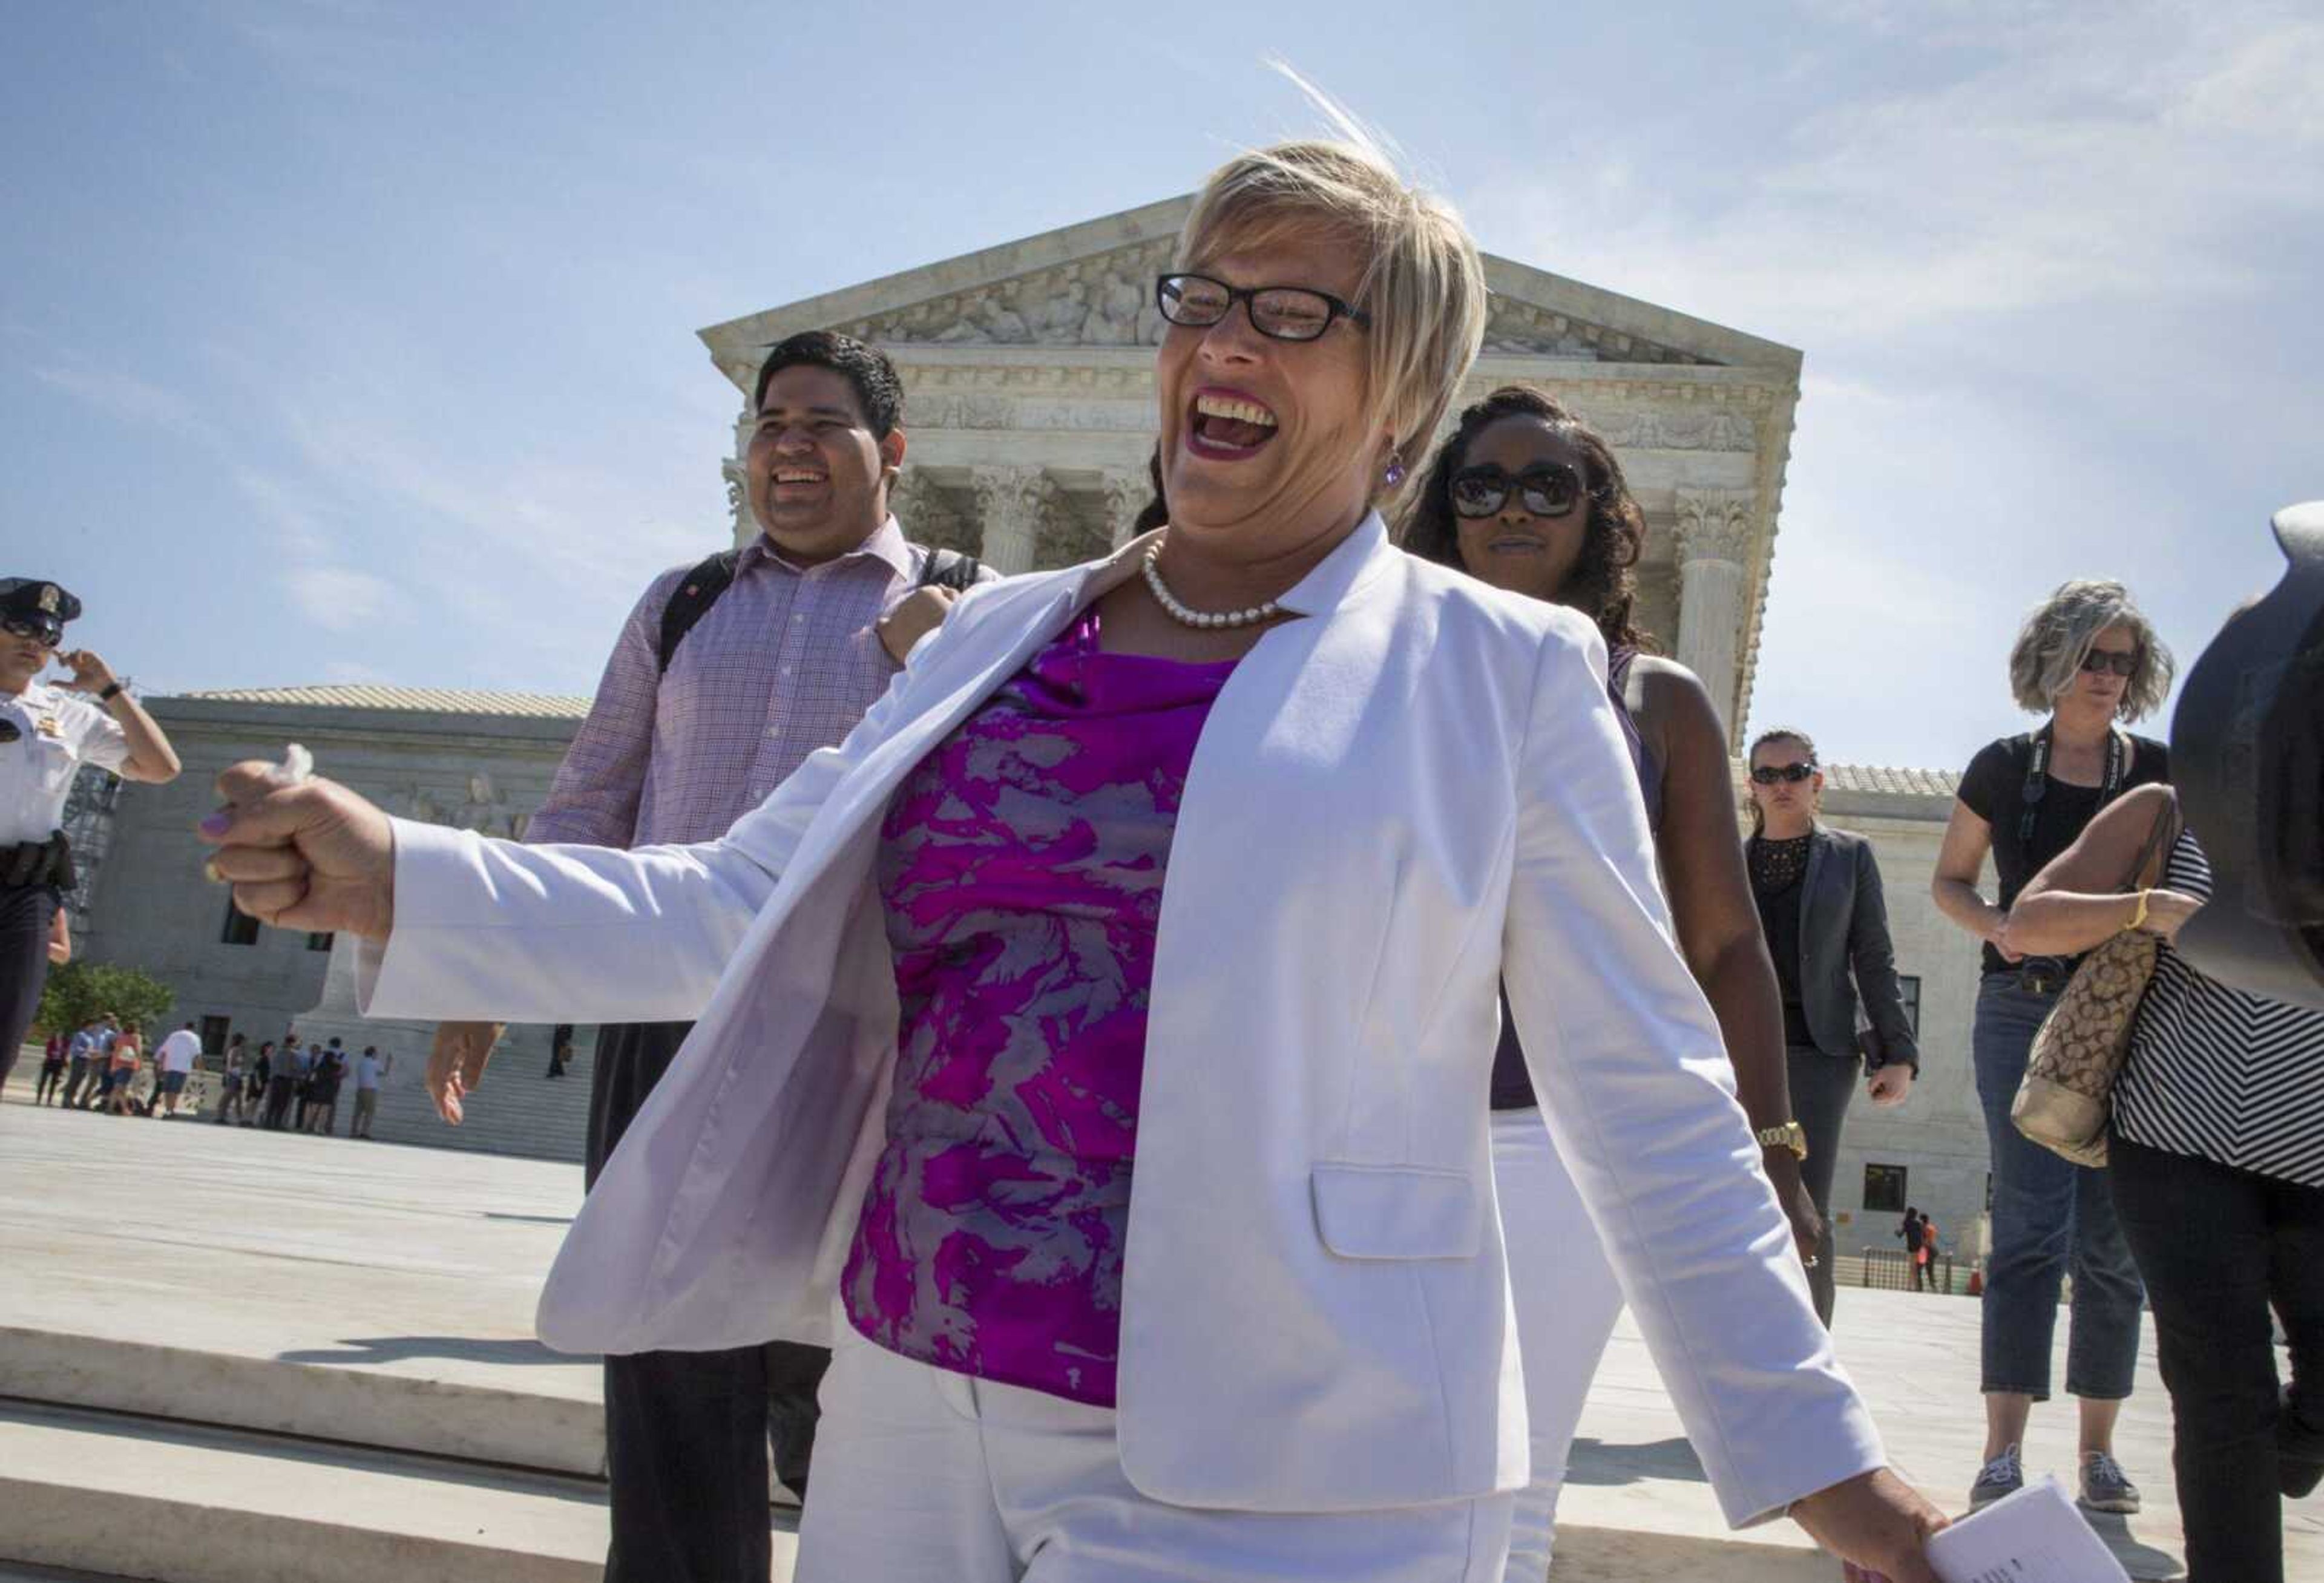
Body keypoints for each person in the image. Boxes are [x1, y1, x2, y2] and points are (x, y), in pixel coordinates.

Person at [206, 134, 1947, 1583]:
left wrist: (1820, 1464)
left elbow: (1645, 1091)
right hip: (912, 1398)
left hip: (1281, 1448)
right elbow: (733, 898)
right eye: (1203, 298)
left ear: (1400, 388)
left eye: (1295, 312)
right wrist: (396, 877)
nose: (1226, 344)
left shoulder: (1504, 674)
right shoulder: (995, 637)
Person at [419, 327, 996, 1581]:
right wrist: (491, 969)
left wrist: (942, 662)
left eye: (821, 424)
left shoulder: (963, 602)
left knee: (833, 1344)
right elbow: (591, 799)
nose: (788, 449)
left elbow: (1008, 817)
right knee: (667, 1345)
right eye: (768, 425)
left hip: (860, 1033)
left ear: (890, 452)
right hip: (666, 1008)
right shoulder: (683, 604)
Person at [1398, 383, 1823, 1577]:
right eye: (1482, 485)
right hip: (1386, 1113)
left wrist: (1776, 1154)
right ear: (1448, 509)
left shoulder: (1656, 700)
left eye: (1551, 485)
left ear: (1600, 516)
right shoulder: (1390, 670)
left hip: (1554, 1130)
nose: (1514, 508)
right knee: (1374, 1459)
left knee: (1516, 1476)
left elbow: (1729, 946)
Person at [2011, 781, 2323, 1582]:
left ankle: (2284, 1449)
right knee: (2222, 1392)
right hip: (2177, 1143)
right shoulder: (2171, 808)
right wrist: (2143, 907)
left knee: (2264, 1422)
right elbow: (2027, 922)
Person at [1932, 578, 2173, 1514]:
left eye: (2123, 661)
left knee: (2114, 1242)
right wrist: (1998, 926)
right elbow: (1950, 882)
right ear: (2055, 663)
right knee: (2031, 1229)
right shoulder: (2001, 766)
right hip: (2021, 1011)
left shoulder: (2157, 771)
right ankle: (2002, 1450)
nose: (2109, 677)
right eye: (2093, 659)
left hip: (2129, 1021)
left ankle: (2100, 1453)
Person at [1740, 726, 1920, 1326]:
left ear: (1817, 783)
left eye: (1794, 773)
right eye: (1768, 775)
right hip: (1736, 1052)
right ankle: (1743, 1355)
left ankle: (1808, 1358)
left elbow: (1874, 956)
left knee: (1804, 1200)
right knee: (1739, 1200)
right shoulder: (1726, 861)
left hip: (1819, 1054)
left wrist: (1898, 1054)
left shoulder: (1850, 856)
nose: (1782, 784)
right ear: (1752, 788)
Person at [0, 578, 180, 1096]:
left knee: (6, 1031)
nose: (35, 642)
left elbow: (160, 766)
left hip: (25, 894)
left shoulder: (66, 714)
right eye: (21, 627)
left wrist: (108, 689)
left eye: (48, 634)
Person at [151, 1021, 202, 1118]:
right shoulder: (195, 1038)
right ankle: (170, 1111)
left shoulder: (174, 1035)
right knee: (175, 1091)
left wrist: (160, 1066)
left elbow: (163, 1051)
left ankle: (168, 1110)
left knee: (168, 1090)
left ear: (184, 1027)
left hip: (169, 1066)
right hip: (182, 1068)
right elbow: (197, 1055)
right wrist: (200, 1069)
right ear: (193, 1028)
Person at [304, 1038, 345, 1135]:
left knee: (314, 1105)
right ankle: (319, 1127)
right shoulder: (339, 1057)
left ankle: (309, 1125)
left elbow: (314, 1068)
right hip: (329, 1084)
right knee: (325, 1107)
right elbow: (343, 1068)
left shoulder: (322, 1055)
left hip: (319, 1084)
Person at [349, 1044, 387, 1138]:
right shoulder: (375, 1063)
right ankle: (365, 1132)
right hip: (370, 1090)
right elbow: (384, 1073)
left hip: (360, 1089)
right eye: (376, 1053)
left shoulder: (361, 1063)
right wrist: (389, 1062)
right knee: (370, 1112)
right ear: (373, 1054)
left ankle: (353, 1132)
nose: (377, 1055)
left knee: (358, 1112)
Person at [103, 1026, 142, 1116]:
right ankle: (109, 1108)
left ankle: (125, 1110)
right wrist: (140, 1063)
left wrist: (112, 1067)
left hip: (117, 1065)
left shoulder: (120, 1038)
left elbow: (115, 1053)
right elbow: (138, 1051)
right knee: (118, 1088)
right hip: (127, 1066)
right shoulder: (136, 1037)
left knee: (122, 1090)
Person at [213, 1033, 249, 1124]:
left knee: (237, 1098)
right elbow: (232, 1063)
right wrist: (240, 1062)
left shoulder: (233, 1050)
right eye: (244, 1041)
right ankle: (221, 1116)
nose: (245, 1043)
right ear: (240, 1041)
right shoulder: (236, 1050)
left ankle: (237, 1118)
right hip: (233, 1076)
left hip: (235, 1075)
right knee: (227, 1097)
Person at [243, 1040, 274, 1127]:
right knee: (252, 1101)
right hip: (257, 1082)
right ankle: (244, 1119)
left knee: (256, 1102)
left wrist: (267, 1083)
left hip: (263, 1083)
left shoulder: (268, 1059)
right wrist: (258, 1082)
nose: (272, 1050)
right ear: (266, 1048)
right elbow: (256, 1071)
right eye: (271, 1048)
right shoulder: (261, 1058)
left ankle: (250, 1119)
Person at [35, 1026, 68, 1104]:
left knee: (53, 1083)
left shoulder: (65, 1042)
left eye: (61, 1033)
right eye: (58, 1033)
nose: (60, 1035)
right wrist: (56, 1053)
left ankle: (49, 1100)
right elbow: (48, 1052)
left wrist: (61, 1053)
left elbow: (65, 1052)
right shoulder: (51, 1041)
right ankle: (38, 1099)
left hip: (58, 1063)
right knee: (43, 1082)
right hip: (49, 1062)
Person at [1897, 1207, 1927, 1290]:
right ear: (1915, 1214)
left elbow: (1900, 1235)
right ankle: (1916, 1286)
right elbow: (1924, 1235)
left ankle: (1910, 1286)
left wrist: (1896, 1231)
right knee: (1916, 1268)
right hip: (1920, 1248)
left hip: (1912, 1248)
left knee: (1912, 1267)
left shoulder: (1907, 1222)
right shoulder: (1919, 1223)